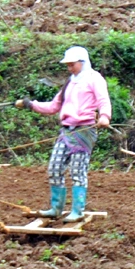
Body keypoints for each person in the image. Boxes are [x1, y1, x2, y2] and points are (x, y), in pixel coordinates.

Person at [16, 47, 112, 221]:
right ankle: (56, 208)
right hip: (67, 130)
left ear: (82, 62)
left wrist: (105, 117)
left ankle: (77, 211)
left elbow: (103, 101)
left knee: (77, 171)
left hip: (84, 131)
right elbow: (54, 106)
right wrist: (31, 105)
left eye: (72, 64)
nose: (69, 68)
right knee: (54, 168)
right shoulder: (70, 82)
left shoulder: (94, 79)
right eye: (67, 65)